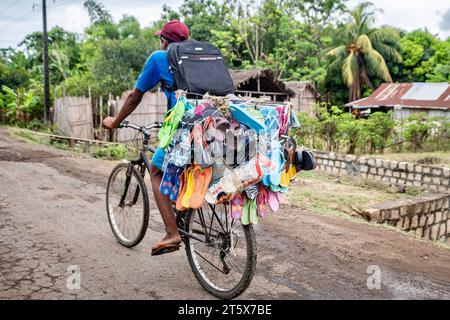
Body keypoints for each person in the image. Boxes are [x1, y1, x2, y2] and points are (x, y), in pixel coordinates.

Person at [102, 20, 189, 256]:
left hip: (181, 130)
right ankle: (185, 210)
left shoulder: (159, 58)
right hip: (208, 128)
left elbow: (134, 96)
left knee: (156, 171)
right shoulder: (196, 59)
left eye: (161, 39)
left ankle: (172, 233)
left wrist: (115, 122)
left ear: (165, 41)